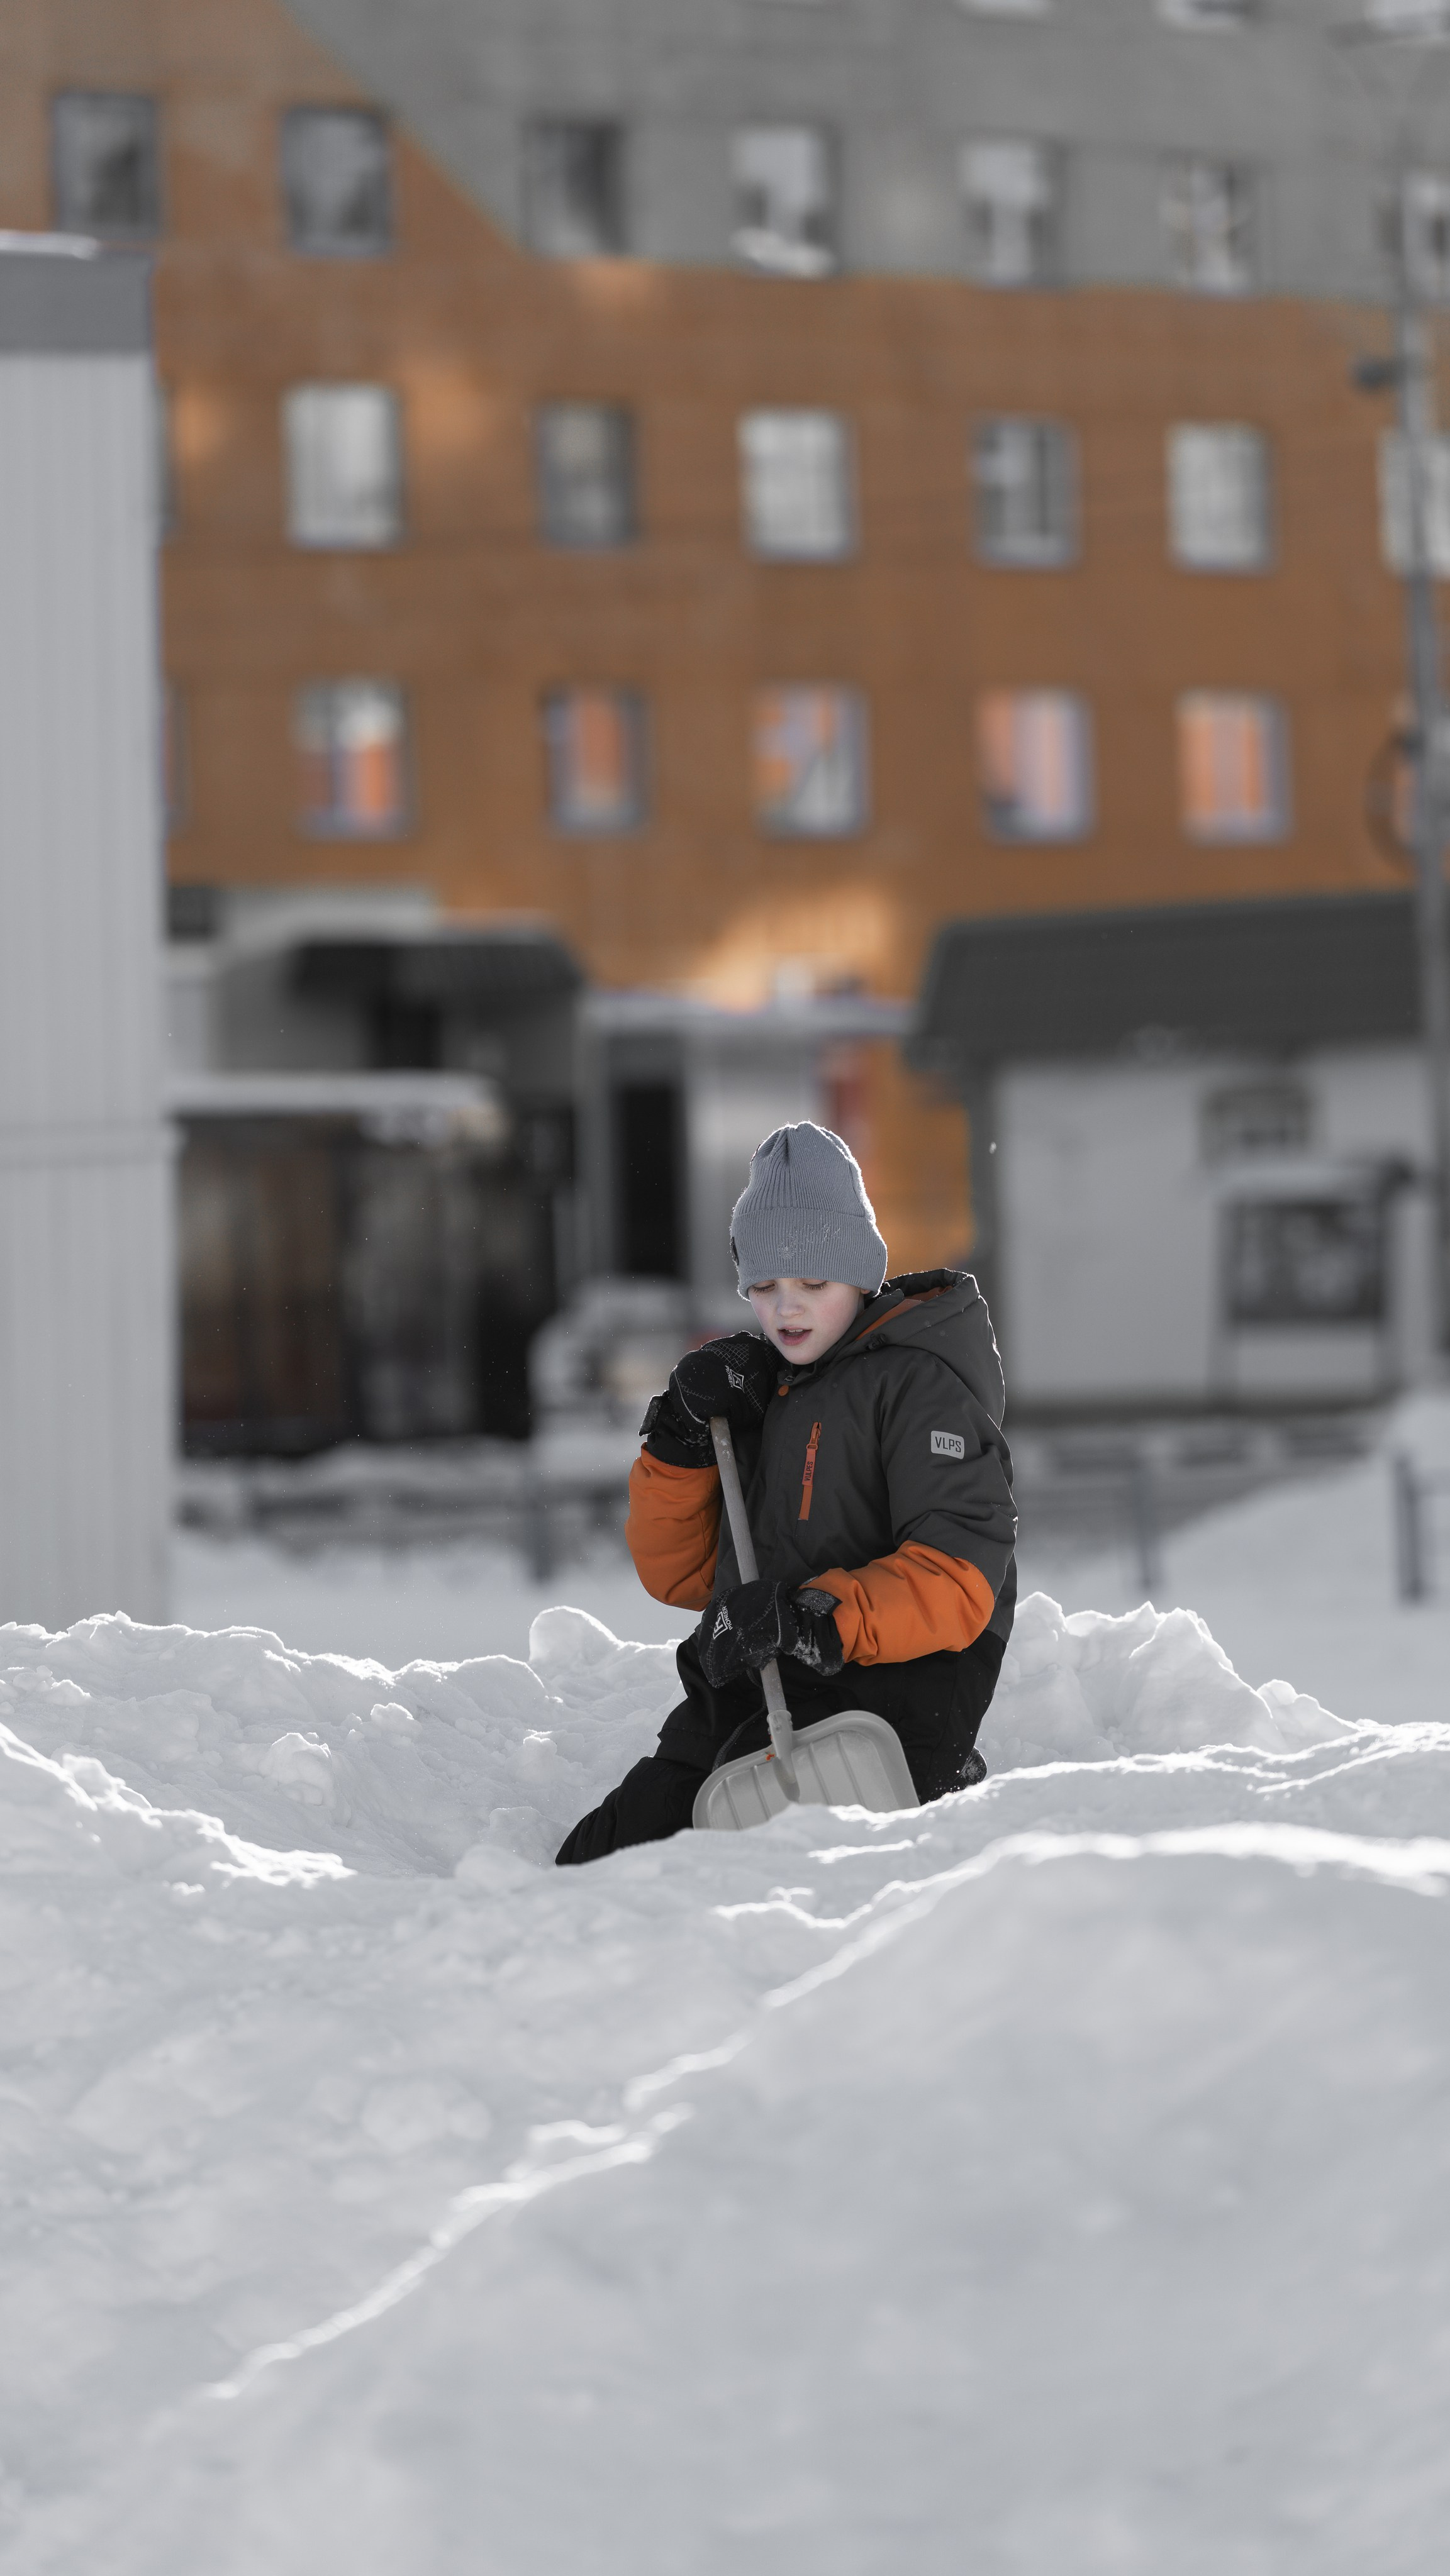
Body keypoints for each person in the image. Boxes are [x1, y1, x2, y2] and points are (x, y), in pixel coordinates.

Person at [555, 1121, 1016, 1865]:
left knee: (730, 1860)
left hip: (884, 1697)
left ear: (861, 1276)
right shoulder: (768, 1392)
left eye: (813, 1284)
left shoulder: (916, 1387)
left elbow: (959, 1579)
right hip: (749, 1685)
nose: (786, 1308)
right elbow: (680, 1574)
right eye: (765, 1287)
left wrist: (812, 1621)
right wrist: (682, 1440)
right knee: (597, 1860)